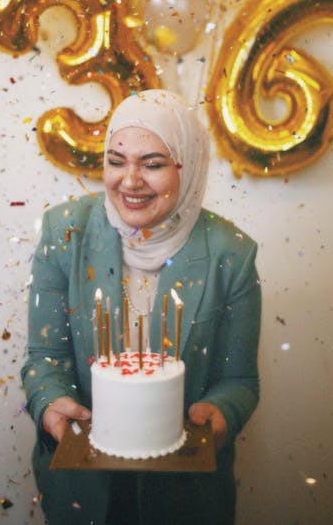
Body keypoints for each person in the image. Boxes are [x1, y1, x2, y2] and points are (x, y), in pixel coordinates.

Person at [21, 89, 261, 525]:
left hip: (187, 500)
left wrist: (221, 415)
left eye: (152, 165)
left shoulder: (231, 253)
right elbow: (44, 358)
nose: (129, 181)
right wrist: (50, 402)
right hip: (84, 495)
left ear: (186, 166)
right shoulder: (64, 232)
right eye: (116, 161)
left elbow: (240, 380)